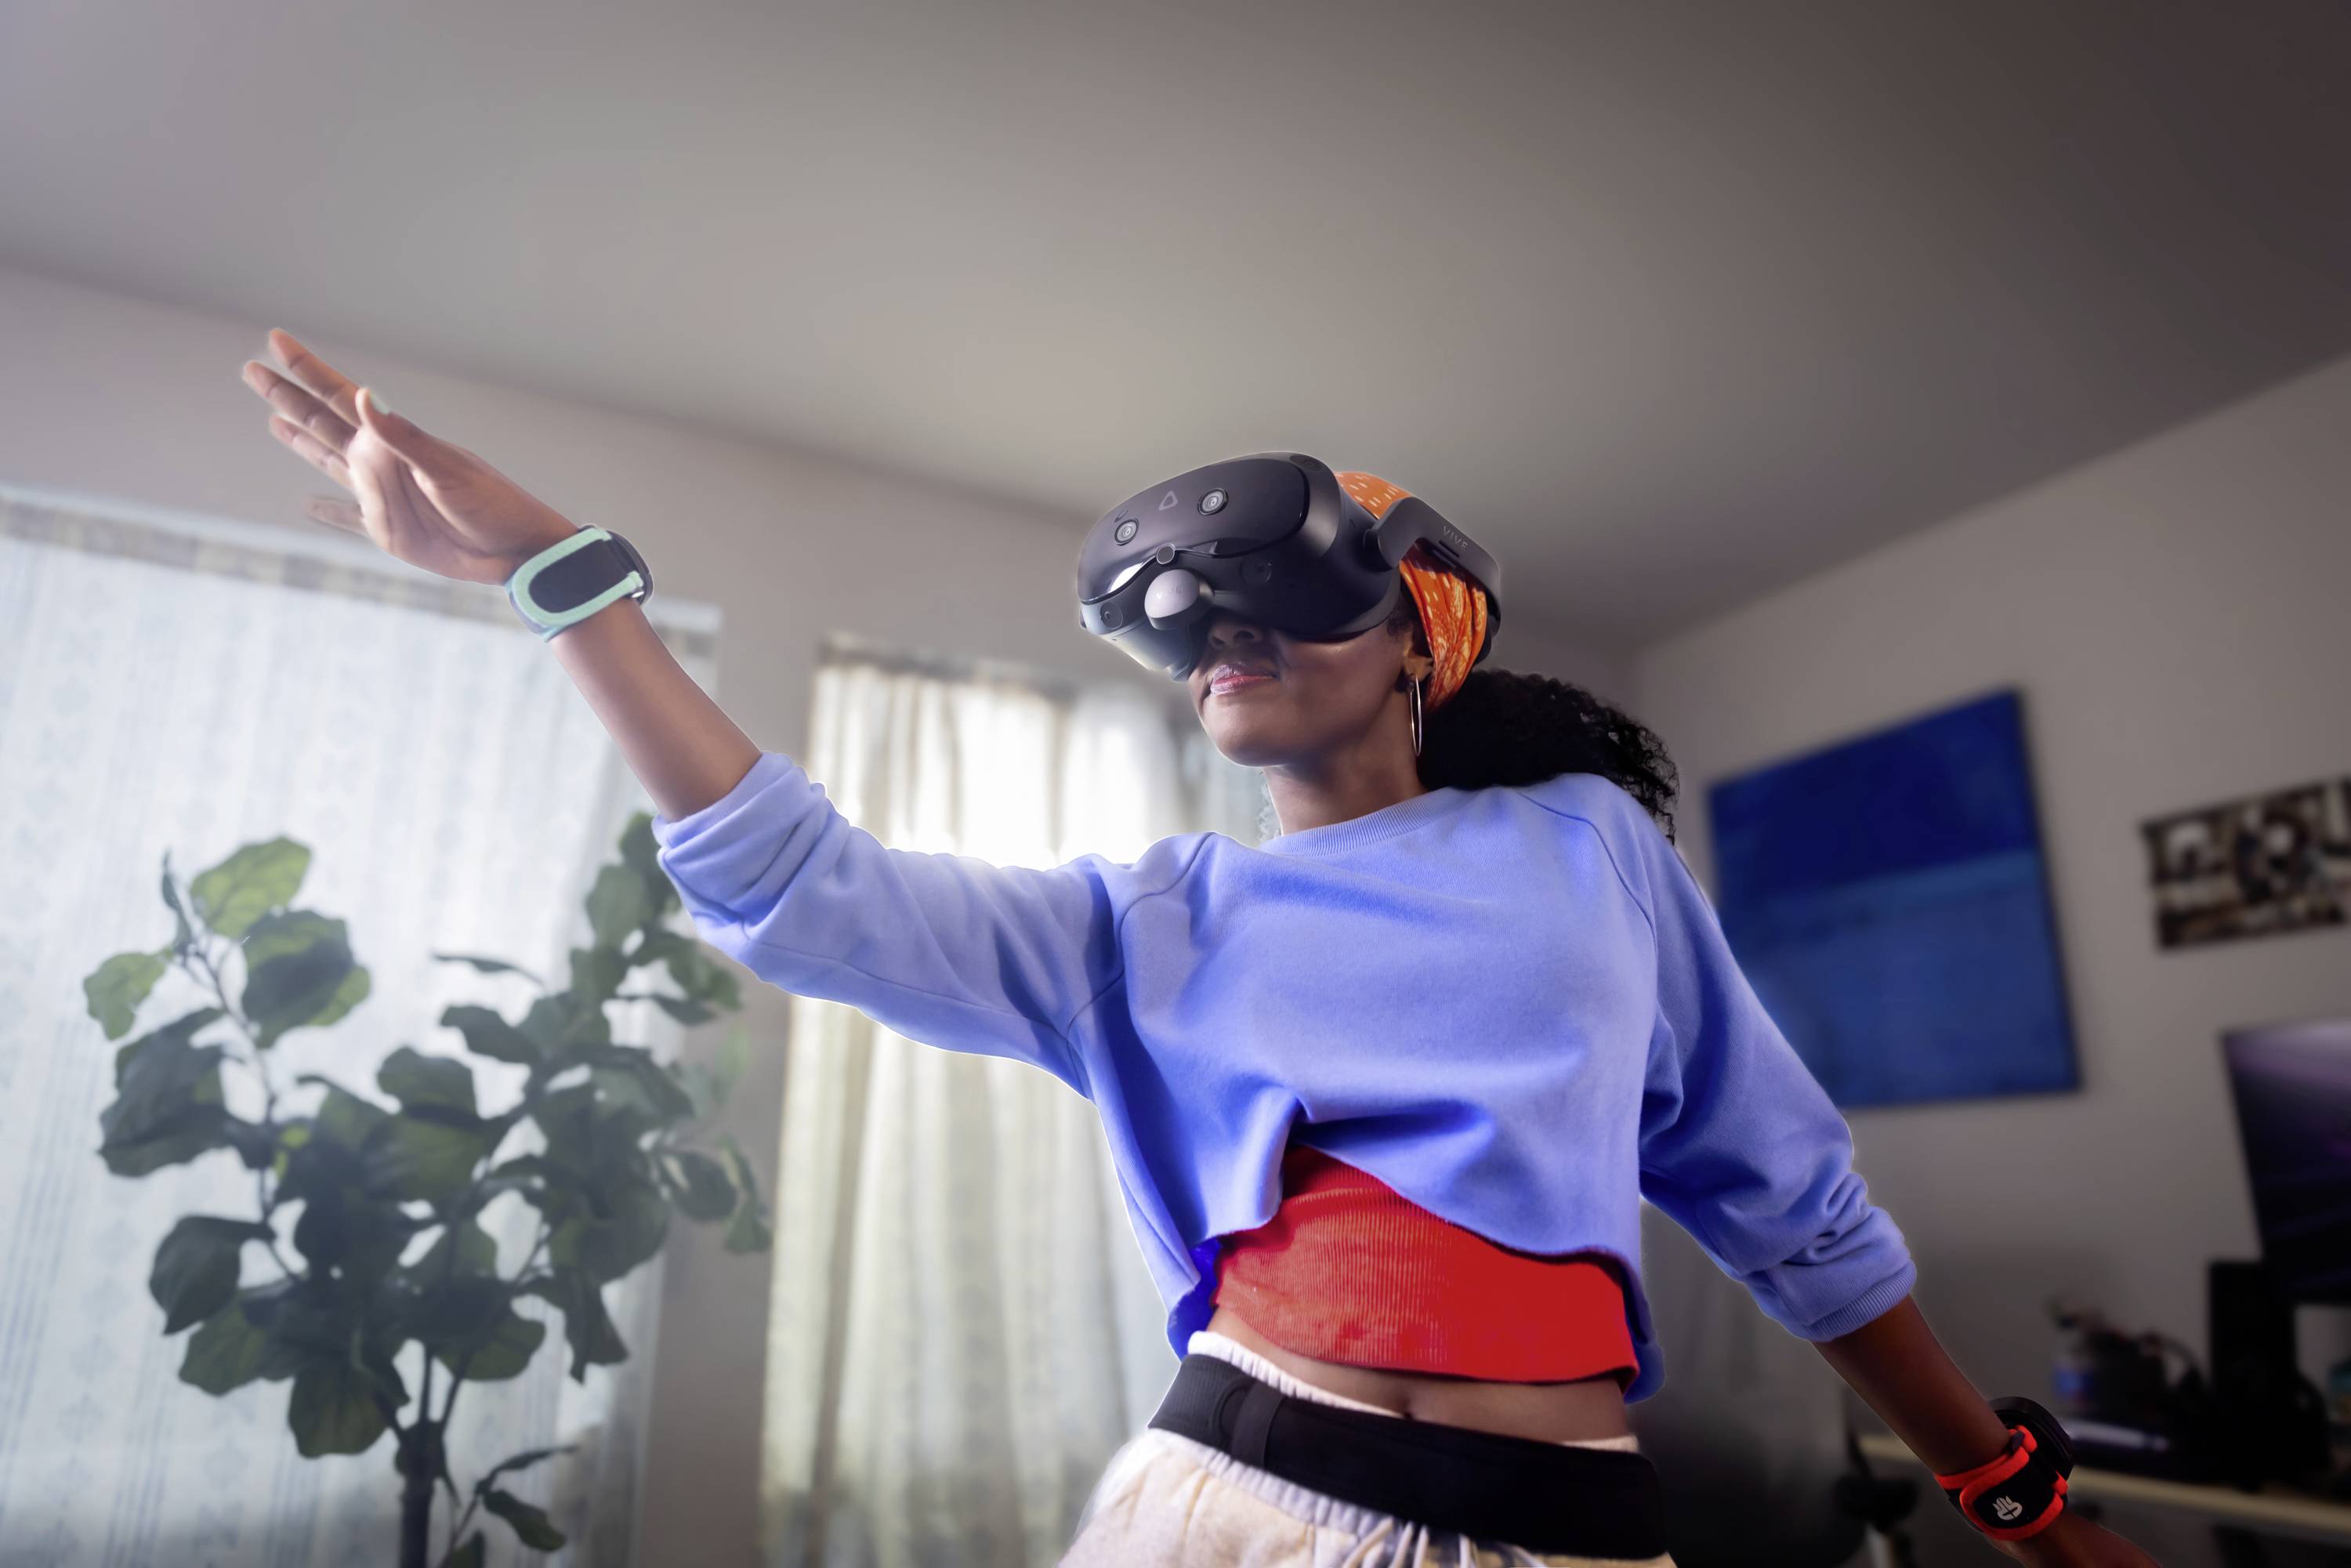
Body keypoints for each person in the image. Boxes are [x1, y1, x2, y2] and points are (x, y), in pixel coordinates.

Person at [241, 330, 2161, 1567]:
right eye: (1194, 624)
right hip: (1222, 1498)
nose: (1218, 638)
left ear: (1419, 639)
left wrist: (2019, 1494)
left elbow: (1790, 1199)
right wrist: (561, 575)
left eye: (1281, 600)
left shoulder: (1581, 845)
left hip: (1558, 1520)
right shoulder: (1147, 918)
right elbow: (801, 885)